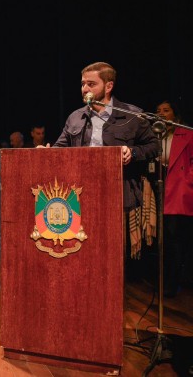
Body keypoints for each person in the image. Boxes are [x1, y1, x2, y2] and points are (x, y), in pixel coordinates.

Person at [52, 61, 159, 269]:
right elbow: (59, 149)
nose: (85, 89)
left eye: (91, 84)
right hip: (79, 194)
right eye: (83, 84)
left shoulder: (132, 115)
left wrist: (133, 152)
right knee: (82, 251)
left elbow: (154, 146)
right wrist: (46, 153)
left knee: (111, 254)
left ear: (108, 86)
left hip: (117, 194)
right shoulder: (75, 117)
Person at [155, 100, 193, 296]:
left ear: (175, 115)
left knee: (176, 239)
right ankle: (166, 280)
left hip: (180, 192)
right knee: (164, 239)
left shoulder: (187, 133)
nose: (161, 114)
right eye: (158, 111)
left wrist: (187, 180)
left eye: (166, 110)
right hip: (159, 190)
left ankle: (174, 283)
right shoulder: (156, 134)